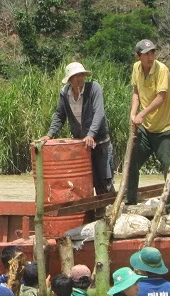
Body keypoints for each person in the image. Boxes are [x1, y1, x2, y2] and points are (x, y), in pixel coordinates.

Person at [40, 61, 115, 195]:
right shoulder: (65, 94)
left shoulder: (94, 89)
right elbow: (59, 115)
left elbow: (99, 113)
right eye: (76, 76)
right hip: (82, 146)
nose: (80, 78)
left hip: (100, 143)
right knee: (85, 181)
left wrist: (91, 134)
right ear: (70, 80)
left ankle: (109, 210)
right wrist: (50, 134)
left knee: (105, 181)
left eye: (82, 75)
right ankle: (94, 212)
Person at [127, 39, 170, 214]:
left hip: (164, 127)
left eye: (152, 53)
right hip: (146, 128)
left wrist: (142, 114)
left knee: (169, 164)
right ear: (138, 56)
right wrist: (133, 113)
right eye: (146, 54)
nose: (150, 57)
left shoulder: (162, 70)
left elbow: (161, 98)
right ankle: (130, 200)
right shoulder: (136, 68)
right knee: (131, 161)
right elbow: (136, 92)